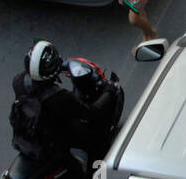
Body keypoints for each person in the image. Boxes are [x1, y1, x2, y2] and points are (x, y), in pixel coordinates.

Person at [10, 40, 117, 168]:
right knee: (99, 144)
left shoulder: (18, 82)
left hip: (28, 136)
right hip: (53, 143)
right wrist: (109, 91)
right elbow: (92, 112)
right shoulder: (60, 98)